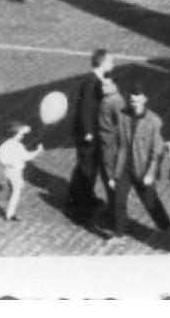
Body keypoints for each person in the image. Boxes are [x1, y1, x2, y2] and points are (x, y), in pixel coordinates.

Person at [104, 83, 170, 241]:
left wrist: (150, 173)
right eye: (132, 101)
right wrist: (113, 174)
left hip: (142, 169)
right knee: (118, 200)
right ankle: (119, 232)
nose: (135, 104)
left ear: (144, 99)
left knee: (150, 201)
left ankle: (167, 227)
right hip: (124, 168)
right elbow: (118, 144)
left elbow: (157, 150)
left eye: (138, 101)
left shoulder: (154, 121)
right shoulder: (122, 116)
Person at [68, 49, 114, 217]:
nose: (113, 64)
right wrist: (88, 131)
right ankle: (80, 201)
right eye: (110, 61)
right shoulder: (92, 83)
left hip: (91, 132)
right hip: (89, 134)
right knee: (87, 167)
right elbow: (86, 108)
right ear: (102, 63)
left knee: (87, 166)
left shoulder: (95, 80)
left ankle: (82, 196)